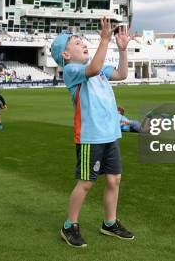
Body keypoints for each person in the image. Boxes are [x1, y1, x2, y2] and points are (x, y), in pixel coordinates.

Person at [52, 17, 134, 248]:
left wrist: (122, 50)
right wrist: (105, 39)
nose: (82, 43)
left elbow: (121, 74)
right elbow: (94, 67)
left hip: (110, 134)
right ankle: (70, 225)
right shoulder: (72, 70)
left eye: (82, 41)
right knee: (86, 182)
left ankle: (109, 223)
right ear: (66, 55)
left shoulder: (96, 70)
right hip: (90, 136)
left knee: (114, 179)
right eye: (76, 43)